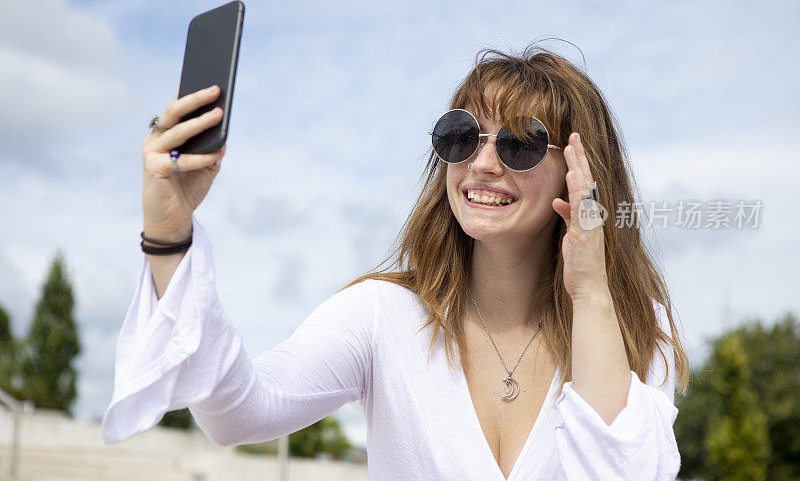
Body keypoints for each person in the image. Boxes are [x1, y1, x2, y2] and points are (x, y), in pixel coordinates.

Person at [102, 43, 690, 480]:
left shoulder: (636, 327)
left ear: (582, 174)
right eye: (463, 135)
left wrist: (591, 293)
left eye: (520, 143)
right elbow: (237, 415)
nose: (484, 163)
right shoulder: (381, 316)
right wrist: (170, 236)